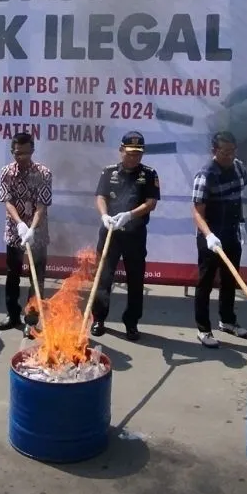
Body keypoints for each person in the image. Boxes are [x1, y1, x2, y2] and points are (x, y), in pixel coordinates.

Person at [92, 131, 161, 341]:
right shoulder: (109, 172)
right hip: (110, 233)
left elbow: (151, 203)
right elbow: (100, 196)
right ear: (121, 150)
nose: (133, 158)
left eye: (138, 154)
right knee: (103, 278)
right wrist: (104, 215)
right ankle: (99, 319)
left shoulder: (149, 174)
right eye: (129, 153)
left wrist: (130, 215)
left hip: (135, 234)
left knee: (135, 279)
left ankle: (131, 323)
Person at [191, 131, 247, 348]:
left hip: (232, 232)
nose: (228, 156)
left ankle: (227, 321)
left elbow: (238, 197)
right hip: (211, 236)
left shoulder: (238, 167)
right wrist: (209, 236)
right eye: (223, 152)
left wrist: (241, 223)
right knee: (205, 283)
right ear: (213, 151)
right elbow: (197, 212)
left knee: (230, 279)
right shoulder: (205, 175)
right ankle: (203, 329)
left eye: (232, 151)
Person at [0, 132, 53, 333]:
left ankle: (32, 319)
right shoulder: (6, 172)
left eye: (26, 153)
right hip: (14, 232)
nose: (22, 157)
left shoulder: (44, 173)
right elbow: (7, 201)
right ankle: (12, 315)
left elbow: (41, 205)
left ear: (33, 151)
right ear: (12, 151)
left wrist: (32, 228)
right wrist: (20, 224)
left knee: (36, 277)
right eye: (18, 153)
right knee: (12, 275)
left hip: (38, 232)